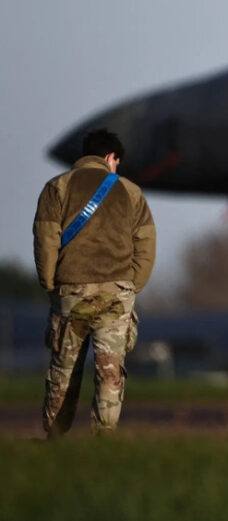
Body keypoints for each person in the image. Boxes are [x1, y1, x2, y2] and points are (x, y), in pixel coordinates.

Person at [33, 128, 156, 437]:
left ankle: (55, 438)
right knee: (110, 372)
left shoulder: (56, 187)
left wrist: (51, 284)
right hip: (116, 295)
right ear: (110, 157)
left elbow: (46, 241)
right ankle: (103, 440)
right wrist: (132, 285)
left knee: (64, 371)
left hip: (70, 291)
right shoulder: (130, 191)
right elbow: (146, 245)